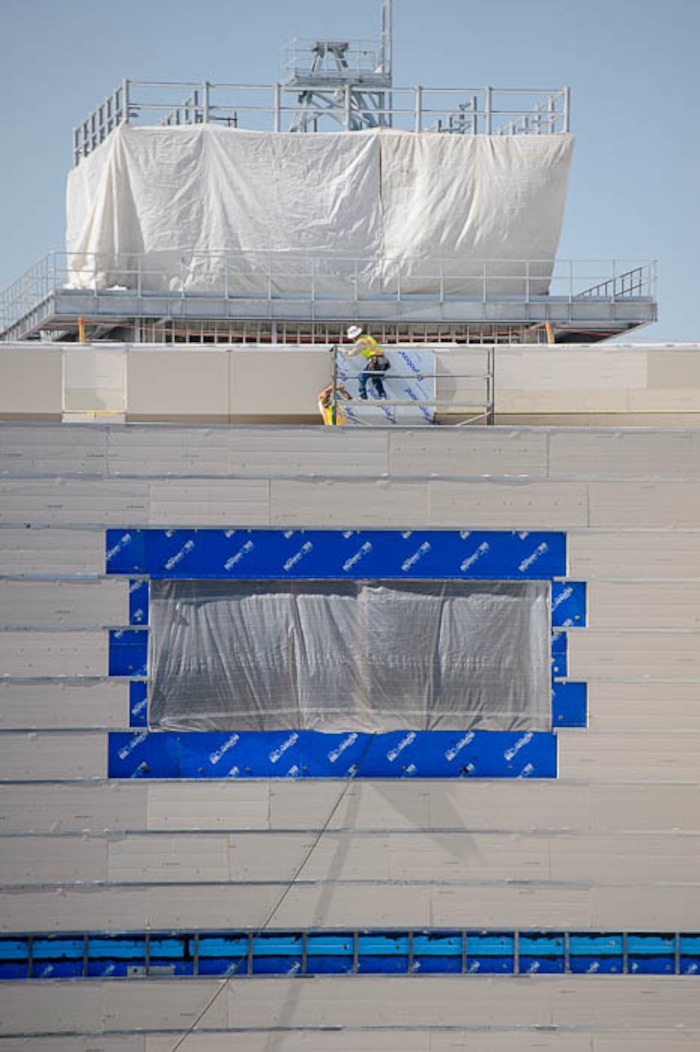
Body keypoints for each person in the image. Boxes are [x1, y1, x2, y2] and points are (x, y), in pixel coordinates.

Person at [345, 325, 390, 400]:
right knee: (376, 379)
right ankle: (383, 396)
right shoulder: (367, 337)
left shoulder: (361, 342)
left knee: (362, 376)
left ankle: (363, 395)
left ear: (354, 336)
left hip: (375, 360)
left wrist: (347, 352)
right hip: (382, 360)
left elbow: (353, 353)